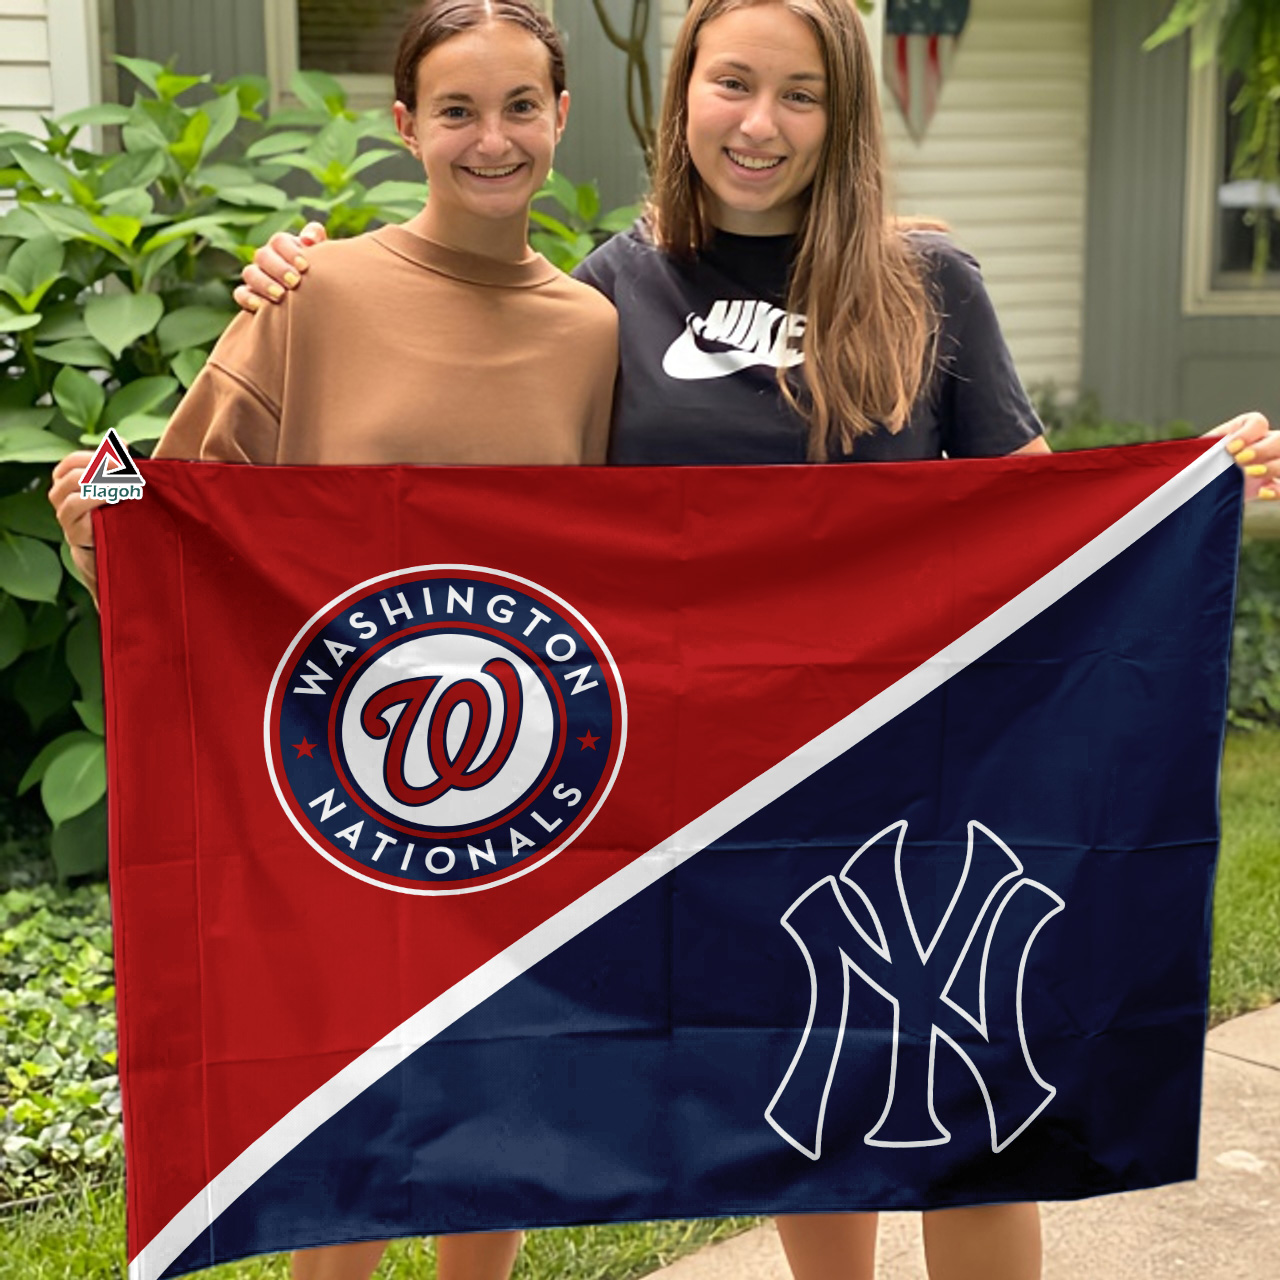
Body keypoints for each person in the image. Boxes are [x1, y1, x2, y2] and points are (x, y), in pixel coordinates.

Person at [229, 2, 1280, 1277]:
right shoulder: (615, 290)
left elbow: (1032, 515)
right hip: (724, 786)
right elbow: (516, 499)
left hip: (917, 762)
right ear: (683, 96)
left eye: (800, 93)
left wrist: (1179, 491)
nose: (760, 123)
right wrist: (302, 285)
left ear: (843, 117)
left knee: (961, 1106)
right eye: (732, 83)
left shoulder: (924, 282)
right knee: (808, 1094)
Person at [48, 4, 616, 1280]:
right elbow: (172, 497)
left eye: (520, 107)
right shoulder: (317, 290)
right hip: (339, 773)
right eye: (456, 111)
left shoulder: (591, 331)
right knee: (348, 1095)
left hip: (523, 771)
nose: (491, 139)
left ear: (560, 118)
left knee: (494, 1092)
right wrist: (94, 518)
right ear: (403, 123)